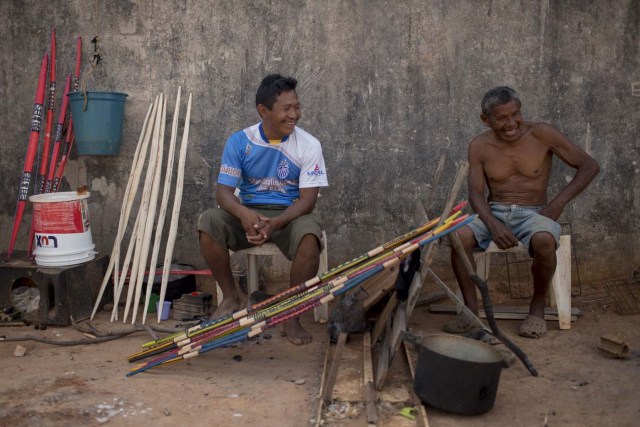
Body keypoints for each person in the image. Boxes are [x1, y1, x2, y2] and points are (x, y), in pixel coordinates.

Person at [446, 86, 599, 338]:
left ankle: (536, 311)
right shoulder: (479, 146)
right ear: (486, 119)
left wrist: (558, 203)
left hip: (535, 213)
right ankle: (471, 315)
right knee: (457, 236)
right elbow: (476, 194)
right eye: (502, 118)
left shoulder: (542, 134)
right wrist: (493, 224)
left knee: (544, 241)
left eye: (515, 114)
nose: (511, 123)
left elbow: (589, 166)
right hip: (494, 212)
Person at [198, 74, 328, 345]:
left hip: (291, 215)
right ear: (263, 111)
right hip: (250, 214)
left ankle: (291, 314)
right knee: (209, 223)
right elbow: (223, 193)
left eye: (297, 107)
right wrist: (244, 214)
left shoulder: (309, 145)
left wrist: (276, 223)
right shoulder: (240, 142)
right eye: (286, 109)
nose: (295, 114)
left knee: (309, 239)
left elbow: (308, 201)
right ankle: (232, 298)